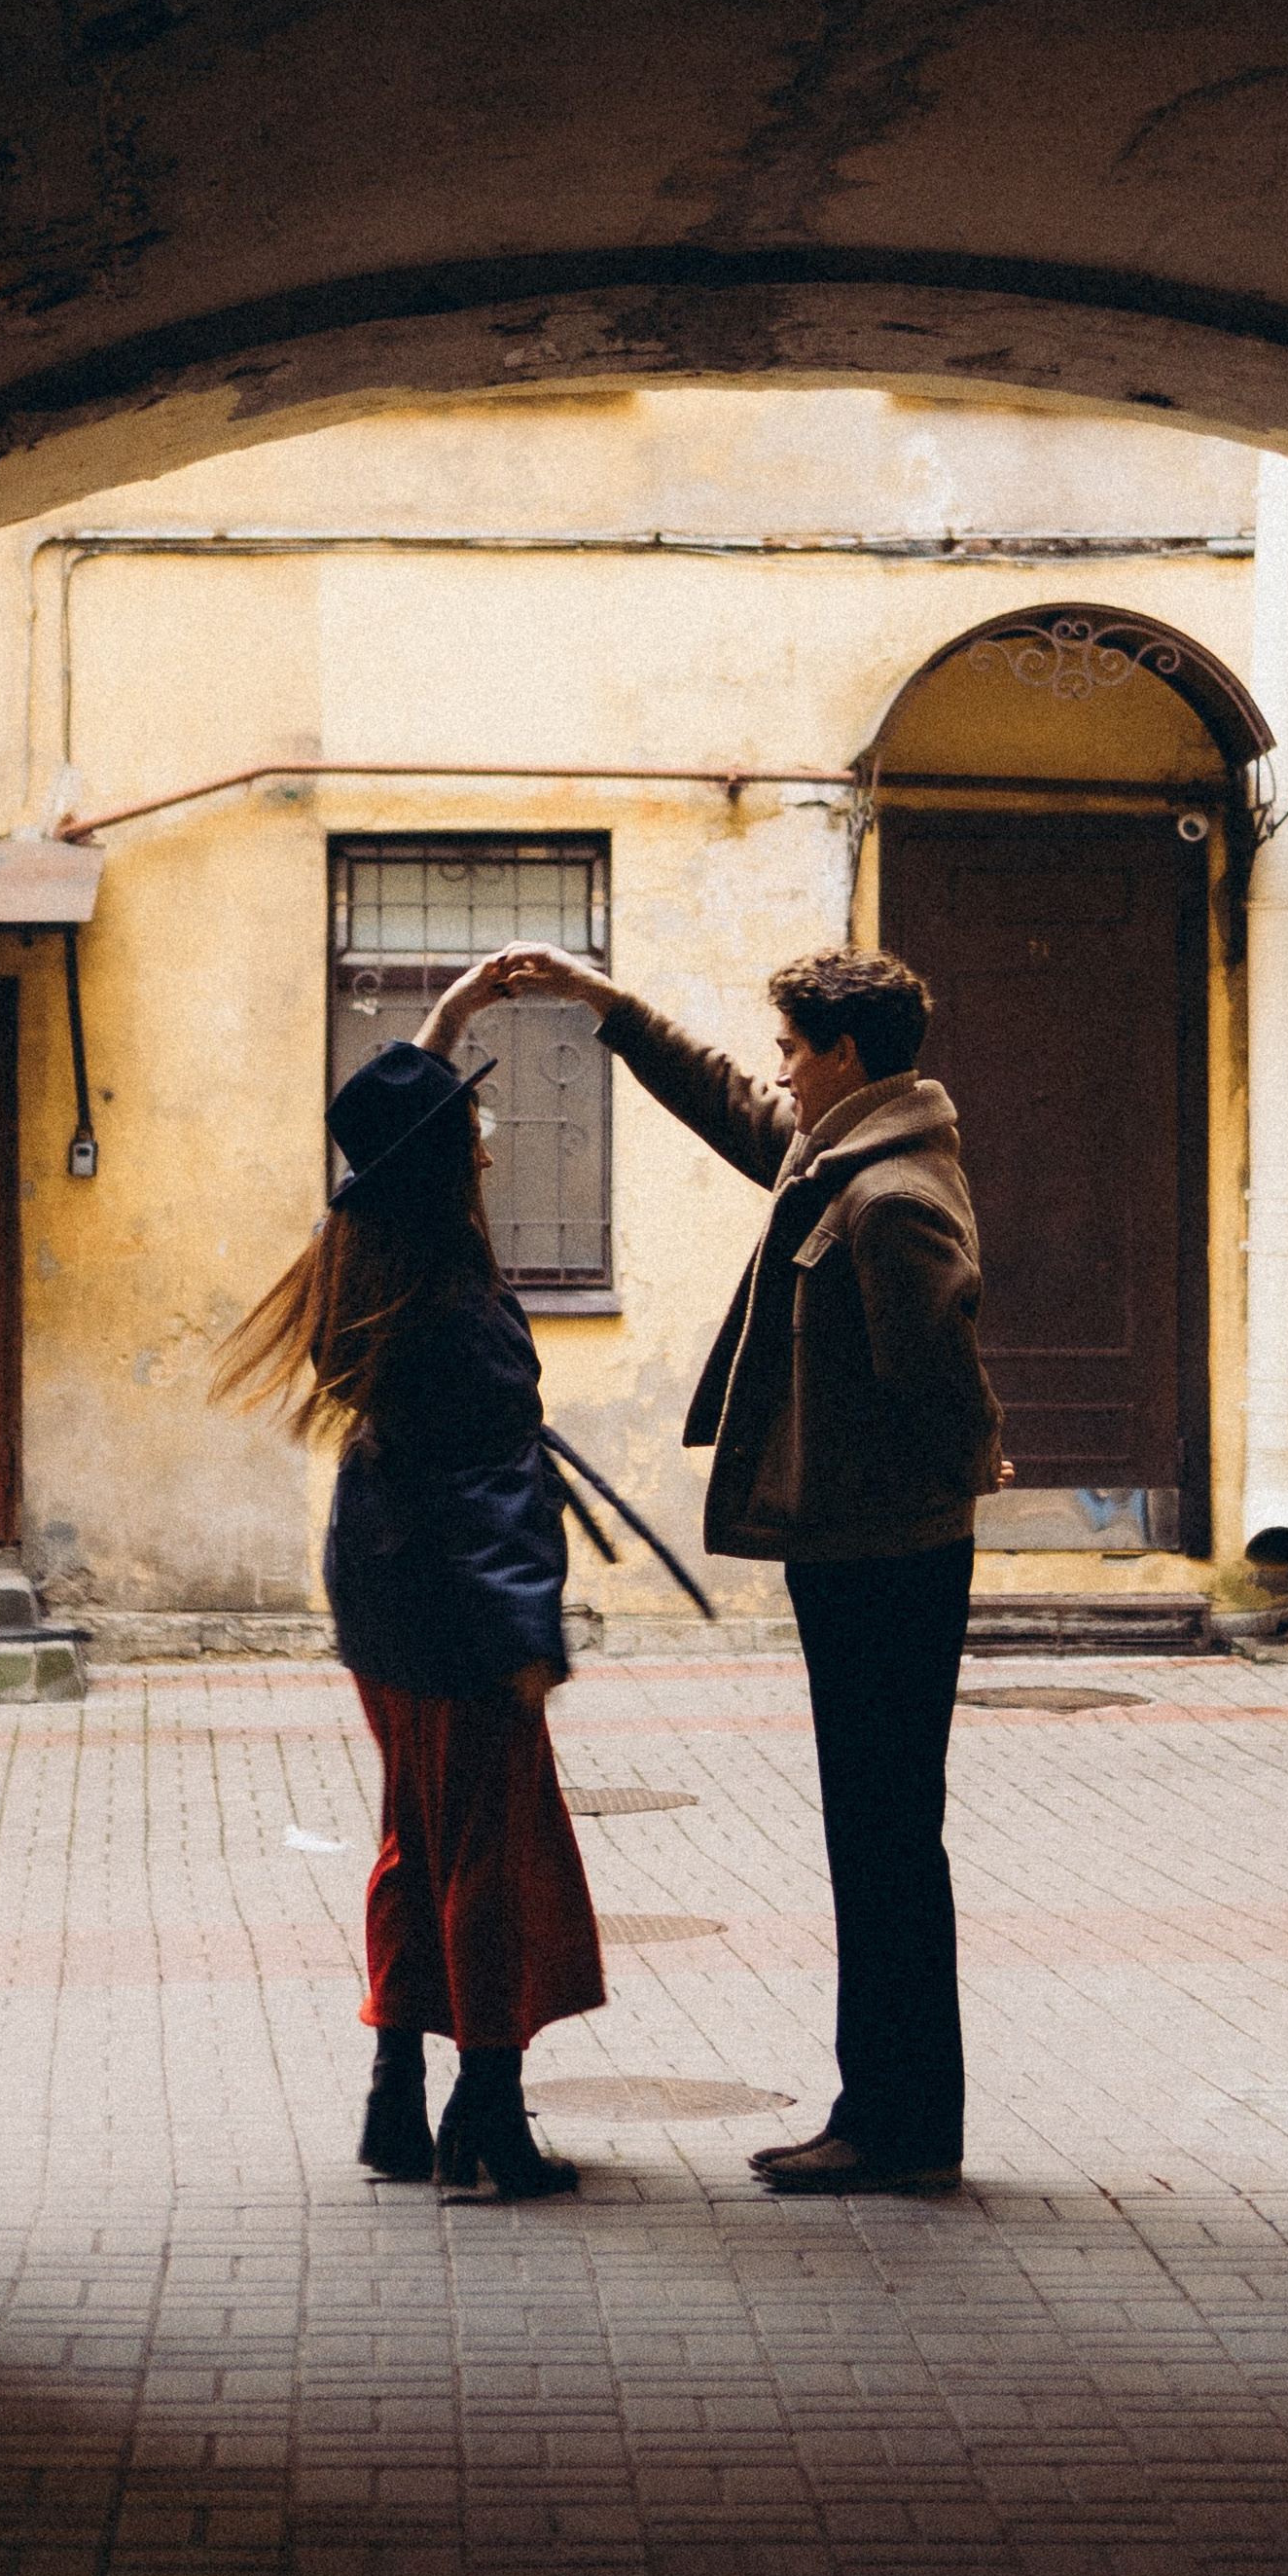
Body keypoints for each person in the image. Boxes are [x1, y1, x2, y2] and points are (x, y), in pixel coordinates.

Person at [498, 937, 1003, 2196]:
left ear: (840, 1053)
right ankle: (890, 2113)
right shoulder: (852, 1148)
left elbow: (940, 1371)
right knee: (881, 1839)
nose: (776, 1074)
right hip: (869, 1550)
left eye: (790, 1050)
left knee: (884, 1844)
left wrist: (958, 1468)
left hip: (885, 1562)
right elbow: (728, 1101)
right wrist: (610, 1006)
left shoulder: (890, 1197)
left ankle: (895, 2126)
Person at [213, 956, 602, 2200]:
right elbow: (495, 1498)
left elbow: (398, 1107)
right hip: (457, 1619)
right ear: (445, 1169)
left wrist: (458, 1010)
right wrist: (524, 1639)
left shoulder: (360, 1269)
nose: (485, 1148)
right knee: (489, 1855)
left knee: (411, 1843)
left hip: (380, 1603)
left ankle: (394, 2099)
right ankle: (487, 2121)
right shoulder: (463, 1309)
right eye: (470, 1136)